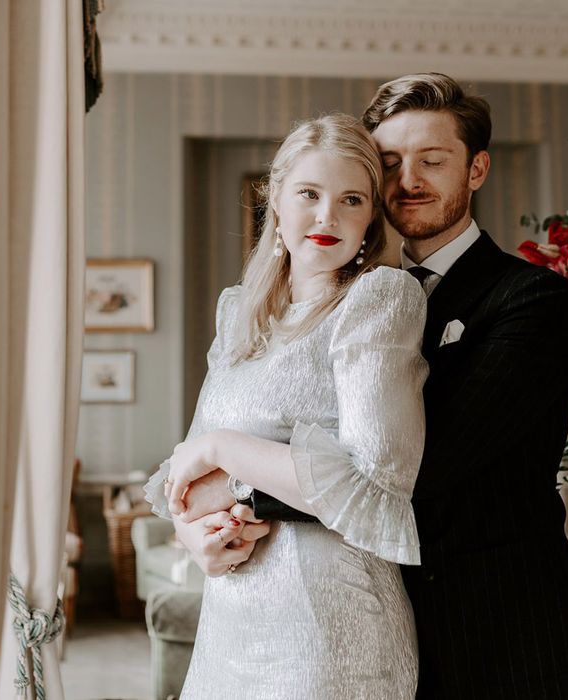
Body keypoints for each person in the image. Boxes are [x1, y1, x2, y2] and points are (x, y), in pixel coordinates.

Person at [176, 74, 568, 699]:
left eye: (433, 160)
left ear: (478, 168)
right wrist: (199, 527)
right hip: (359, 618)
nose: (409, 179)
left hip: (500, 635)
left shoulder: (533, 301)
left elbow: (426, 465)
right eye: (390, 162)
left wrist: (233, 484)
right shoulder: (339, 296)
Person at [144, 113, 428, 698]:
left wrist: (227, 451)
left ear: (372, 216)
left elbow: (381, 482)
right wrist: (196, 539)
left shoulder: (378, 298)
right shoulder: (238, 312)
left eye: (351, 199)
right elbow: (185, 477)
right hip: (232, 616)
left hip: (332, 618)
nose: (328, 216)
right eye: (309, 193)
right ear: (275, 200)